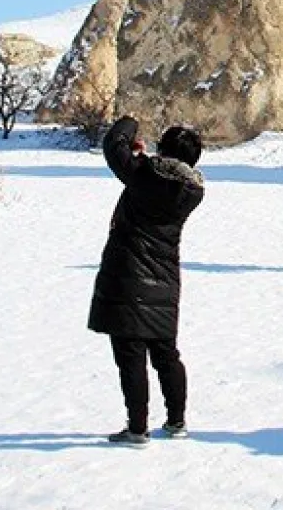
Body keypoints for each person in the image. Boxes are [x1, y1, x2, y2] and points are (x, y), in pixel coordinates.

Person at [88, 116, 205, 445]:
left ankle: (137, 427)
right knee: (166, 353)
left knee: (130, 353)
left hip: (129, 274)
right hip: (165, 277)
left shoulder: (144, 176)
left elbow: (113, 144)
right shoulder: (189, 189)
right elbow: (153, 175)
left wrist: (130, 121)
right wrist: (142, 160)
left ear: (163, 152)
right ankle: (176, 421)